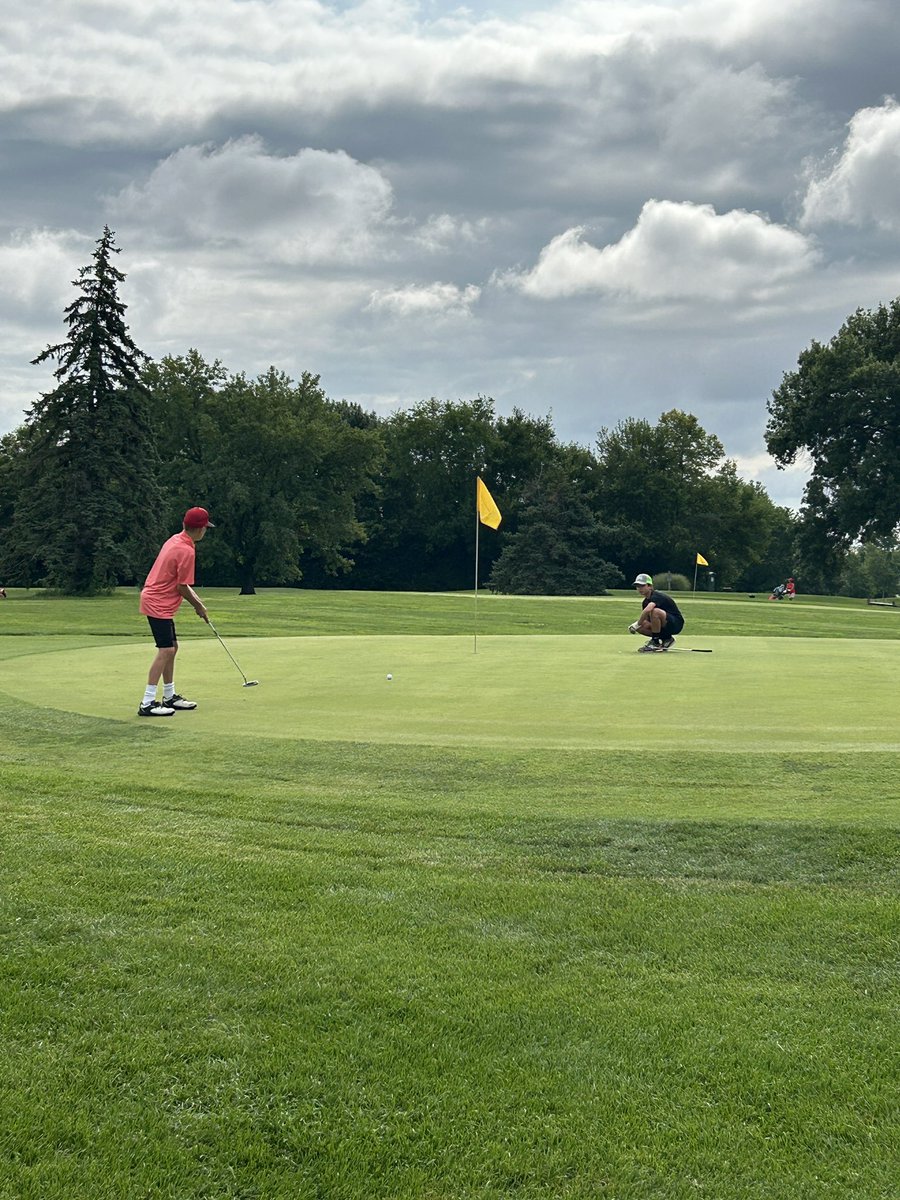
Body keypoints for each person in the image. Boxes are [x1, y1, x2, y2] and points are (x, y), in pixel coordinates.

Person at [137, 507, 213, 716]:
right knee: (166, 650)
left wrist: (200, 603)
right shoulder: (186, 551)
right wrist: (198, 606)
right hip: (157, 602)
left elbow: (183, 585)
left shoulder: (176, 540)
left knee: (172, 647)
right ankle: (147, 703)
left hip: (158, 600)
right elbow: (181, 586)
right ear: (200, 530)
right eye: (205, 528)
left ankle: (169, 697)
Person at [628, 572, 685, 652]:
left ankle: (655, 643)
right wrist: (638, 625)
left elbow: (648, 610)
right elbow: (648, 620)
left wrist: (637, 624)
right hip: (664, 626)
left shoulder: (657, 595)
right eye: (637, 586)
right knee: (641, 626)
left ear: (650, 586)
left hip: (675, 624)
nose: (639, 588)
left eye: (642, 586)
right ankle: (667, 639)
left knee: (655, 612)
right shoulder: (645, 602)